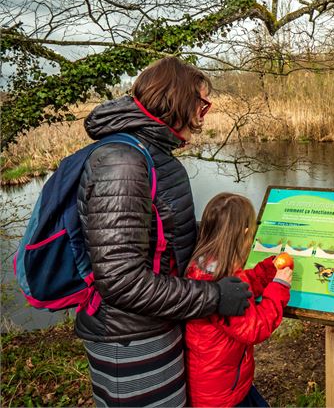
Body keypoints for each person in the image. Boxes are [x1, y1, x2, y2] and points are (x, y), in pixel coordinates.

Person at [76, 57, 252, 407]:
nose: (203, 116)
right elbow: (121, 281)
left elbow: (163, 236)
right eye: (201, 105)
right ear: (179, 103)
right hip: (130, 339)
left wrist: (226, 233)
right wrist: (214, 297)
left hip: (157, 324)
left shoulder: (149, 155)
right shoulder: (122, 162)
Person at [185, 193, 293, 407]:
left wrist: (266, 272)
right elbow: (255, 327)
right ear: (245, 234)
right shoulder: (223, 288)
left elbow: (243, 288)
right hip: (221, 394)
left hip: (219, 383)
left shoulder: (205, 268)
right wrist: (279, 287)